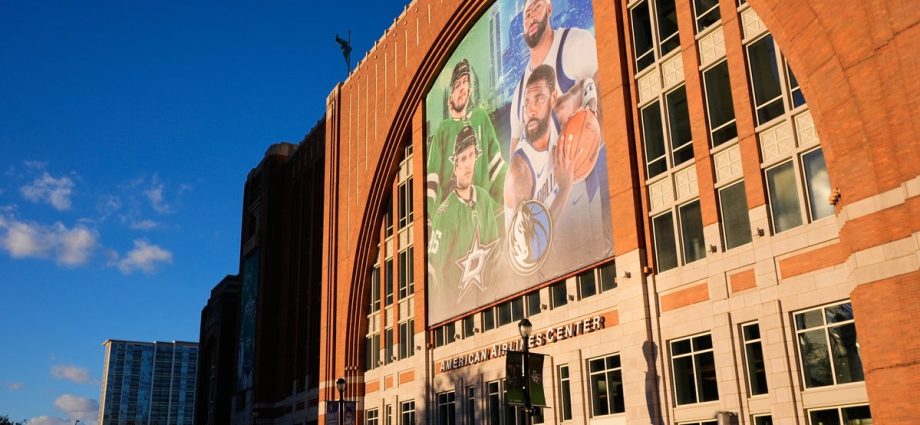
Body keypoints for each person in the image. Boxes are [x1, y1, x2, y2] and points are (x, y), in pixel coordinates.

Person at [504, 65, 610, 275]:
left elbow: (587, 83)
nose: (531, 110)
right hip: (532, 271)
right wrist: (564, 187)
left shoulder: (561, 112)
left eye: (538, 100)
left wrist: (591, 108)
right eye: (527, 103)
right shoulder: (520, 171)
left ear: (553, 98)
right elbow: (528, 248)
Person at [509, 0, 599, 155]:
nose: (532, 17)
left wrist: (582, 149)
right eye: (527, 15)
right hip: (549, 169)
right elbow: (515, 158)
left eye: (537, 7)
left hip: (587, 164)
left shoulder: (576, 43)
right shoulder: (519, 94)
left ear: (549, 10)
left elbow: (606, 97)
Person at [428, 124, 501, 310]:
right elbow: (433, 271)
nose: (468, 163)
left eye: (471, 155)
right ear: (455, 166)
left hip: (487, 304)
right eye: (463, 158)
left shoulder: (484, 199)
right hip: (455, 311)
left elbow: (495, 253)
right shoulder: (444, 214)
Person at [427, 59, 506, 220]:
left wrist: (511, 190)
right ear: (450, 96)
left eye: (465, 82)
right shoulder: (443, 129)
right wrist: (428, 216)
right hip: (454, 218)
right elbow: (432, 177)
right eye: (457, 85)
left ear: (470, 88)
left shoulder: (481, 118)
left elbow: (497, 166)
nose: (462, 88)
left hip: (483, 215)